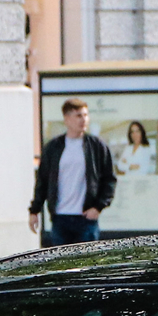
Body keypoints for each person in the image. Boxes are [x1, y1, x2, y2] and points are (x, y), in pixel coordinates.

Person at [29, 97, 114, 243]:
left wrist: (98, 207)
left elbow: (109, 179)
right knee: (61, 265)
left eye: (86, 115)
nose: (84, 120)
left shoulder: (96, 146)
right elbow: (42, 180)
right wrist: (34, 210)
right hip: (60, 218)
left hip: (86, 219)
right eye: (78, 116)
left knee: (87, 263)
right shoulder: (53, 148)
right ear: (67, 119)